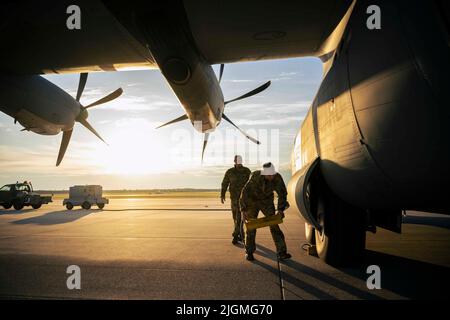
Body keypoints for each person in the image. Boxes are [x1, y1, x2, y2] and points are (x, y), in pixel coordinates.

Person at [240, 162, 291, 261]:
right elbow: (245, 192)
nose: (271, 176)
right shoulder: (255, 176)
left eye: (272, 174)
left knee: (274, 225)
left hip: (266, 202)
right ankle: (249, 252)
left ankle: (282, 252)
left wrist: (280, 210)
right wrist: (243, 209)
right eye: (269, 175)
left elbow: (282, 194)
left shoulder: (277, 178)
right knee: (251, 227)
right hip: (252, 201)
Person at [221, 155, 251, 244]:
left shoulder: (247, 171)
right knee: (236, 217)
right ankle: (239, 234)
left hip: (245, 199)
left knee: (243, 217)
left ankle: (237, 235)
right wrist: (222, 194)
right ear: (234, 161)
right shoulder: (230, 172)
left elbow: (252, 183)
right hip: (234, 198)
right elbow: (225, 183)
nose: (238, 161)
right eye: (237, 160)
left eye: (240, 160)